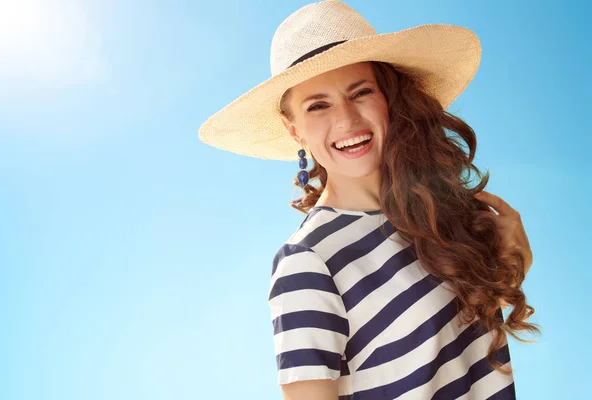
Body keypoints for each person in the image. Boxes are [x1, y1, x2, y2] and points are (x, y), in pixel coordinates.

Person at [199, 1, 538, 399]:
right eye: (318, 105)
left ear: (389, 99)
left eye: (360, 92)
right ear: (295, 131)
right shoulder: (309, 261)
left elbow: (459, 343)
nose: (346, 120)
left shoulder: (434, 213)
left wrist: (512, 262)